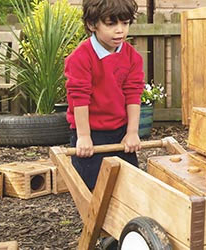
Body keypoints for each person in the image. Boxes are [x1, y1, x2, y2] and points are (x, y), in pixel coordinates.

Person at [64, 0, 144, 191]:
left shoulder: (133, 57)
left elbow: (133, 94)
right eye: (111, 24)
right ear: (92, 25)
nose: (120, 31)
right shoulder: (80, 58)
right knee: (93, 187)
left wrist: (132, 132)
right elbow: (79, 98)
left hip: (120, 131)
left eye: (125, 23)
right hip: (90, 132)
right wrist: (84, 136)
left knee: (129, 186)